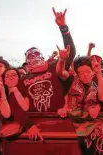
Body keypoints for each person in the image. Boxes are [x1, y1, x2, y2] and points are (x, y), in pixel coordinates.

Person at [8, 8, 76, 141]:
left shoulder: (52, 67)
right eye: (30, 55)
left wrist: (63, 28)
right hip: (36, 125)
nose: (34, 57)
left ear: (42, 56)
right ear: (26, 62)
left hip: (60, 121)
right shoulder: (22, 80)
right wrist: (28, 125)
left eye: (36, 54)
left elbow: (70, 53)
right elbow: (14, 104)